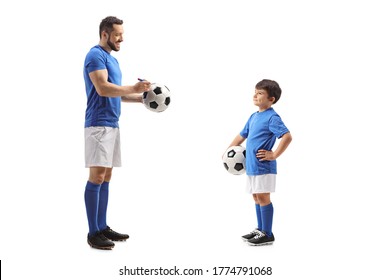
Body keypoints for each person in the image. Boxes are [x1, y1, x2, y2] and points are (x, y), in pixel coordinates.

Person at [83, 16, 151, 250]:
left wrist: (143, 99)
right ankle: (93, 233)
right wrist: (132, 87)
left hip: (112, 123)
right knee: (97, 177)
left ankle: (102, 226)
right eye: (117, 34)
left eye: (122, 33)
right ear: (105, 34)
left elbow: (117, 94)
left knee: (107, 177)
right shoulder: (95, 56)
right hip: (98, 124)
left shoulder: (112, 60)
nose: (122, 38)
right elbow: (102, 88)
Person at [225, 79, 292, 246]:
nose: (255, 95)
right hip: (252, 166)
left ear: (271, 99)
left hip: (263, 166)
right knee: (256, 197)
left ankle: (267, 233)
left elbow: (287, 136)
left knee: (263, 197)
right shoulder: (254, 116)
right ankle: (260, 229)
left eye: (260, 93)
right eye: (255, 91)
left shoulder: (272, 117)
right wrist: (228, 150)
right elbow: (242, 135)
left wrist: (274, 154)